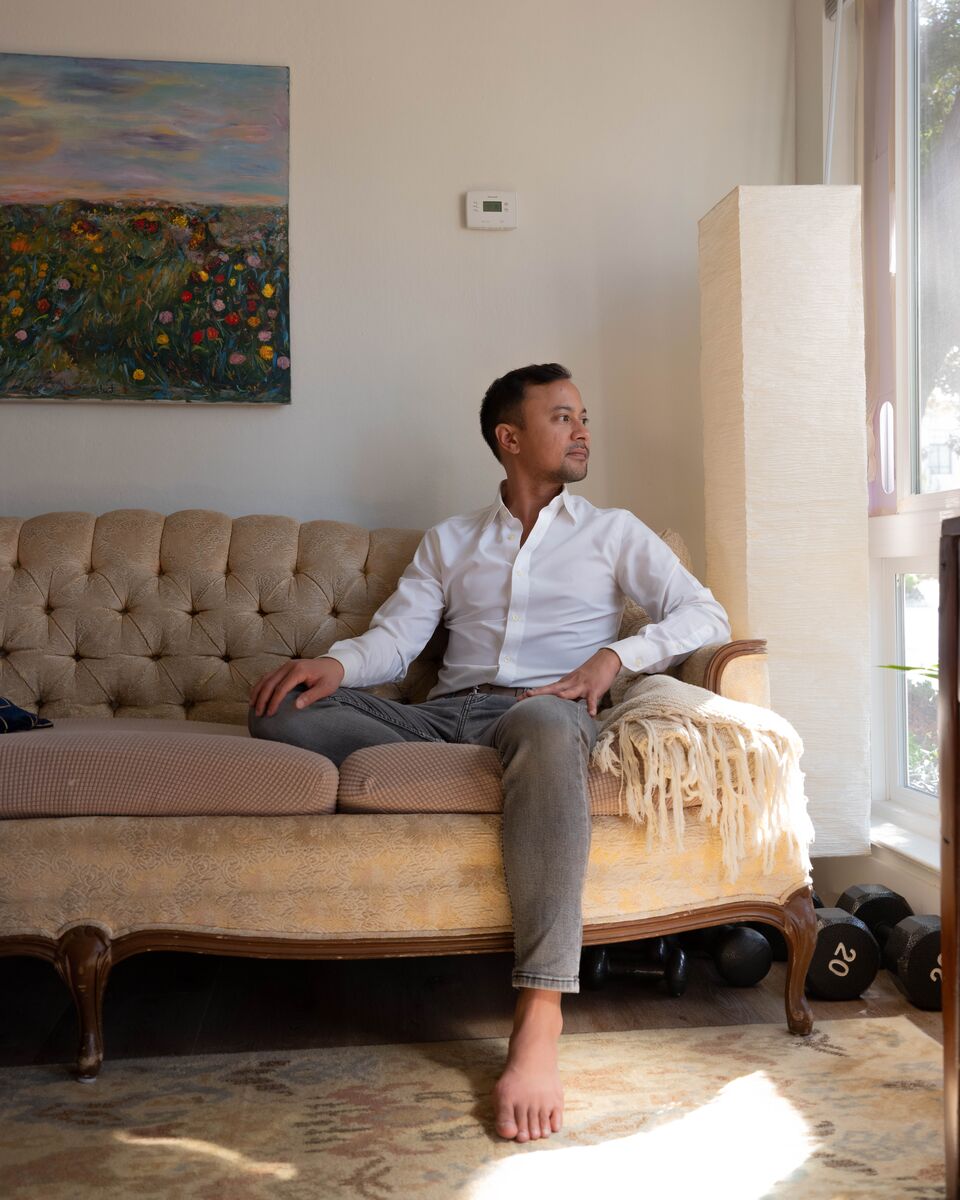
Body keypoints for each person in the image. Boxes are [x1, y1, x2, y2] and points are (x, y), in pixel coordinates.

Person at [248, 363, 731, 1143]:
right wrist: (333, 667)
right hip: (440, 719)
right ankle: (464, 754)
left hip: (545, 714)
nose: (582, 431)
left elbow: (706, 612)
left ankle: (540, 1013)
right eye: (563, 417)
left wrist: (616, 658)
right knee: (282, 715)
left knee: (543, 727)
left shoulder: (615, 533)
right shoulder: (452, 540)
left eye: (583, 416)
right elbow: (399, 641)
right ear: (510, 439)